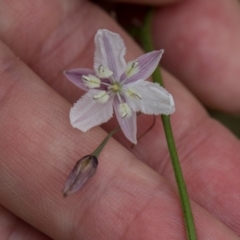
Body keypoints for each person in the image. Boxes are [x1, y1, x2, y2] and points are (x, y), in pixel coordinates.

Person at [0, 0, 240, 239]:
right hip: (120, 92)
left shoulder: (138, 86)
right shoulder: (104, 71)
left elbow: (160, 98)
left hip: (129, 92)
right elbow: (82, 102)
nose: (113, 86)